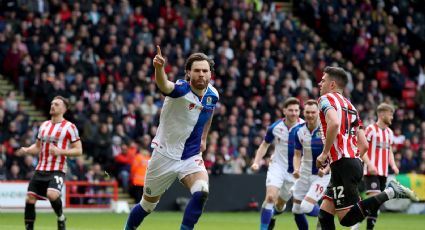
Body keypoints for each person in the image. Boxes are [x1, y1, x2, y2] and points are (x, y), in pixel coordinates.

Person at [124, 46, 219, 230]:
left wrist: (204, 138)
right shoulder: (180, 90)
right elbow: (164, 85)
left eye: (205, 71)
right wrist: (159, 69)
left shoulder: (212, 95)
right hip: (164, 156)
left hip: (191, 156)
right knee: (147, 205)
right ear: (188, 73)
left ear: (210, 74)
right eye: (197, 70)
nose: (201, 74)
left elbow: (210, 111)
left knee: (201, 191)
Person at [315, 66, 418, 230]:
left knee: (346, 219)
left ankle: (390, 192)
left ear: (332, 84)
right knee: (325, 215)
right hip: (350, 162)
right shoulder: (351, 107)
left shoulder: (325, 100)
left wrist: (325, 154)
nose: (320, 83)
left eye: (323, 80)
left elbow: (334, 123)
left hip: (343, 164)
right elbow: (363, 144)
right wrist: (350, 159)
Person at [16, 96, 83, 230]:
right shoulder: (44, 125)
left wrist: (60, 152)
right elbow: (38, 147)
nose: (53, 106)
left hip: (57, 168)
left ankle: (61, 217)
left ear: (64, 109)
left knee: (52, 195)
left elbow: (78, 150)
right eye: (52, 103)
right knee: (29, 199)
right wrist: (27, 150)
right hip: (41, 168)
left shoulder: (70, 127)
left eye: (57, 104)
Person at [251, 97, 304, 230]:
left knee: (280, 205)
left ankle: (273, 215)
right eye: (291, 110)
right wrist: (256, 162)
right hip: (277, 167)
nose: (294, 113)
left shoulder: (305, 127)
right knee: (270, 197)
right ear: (284, 111)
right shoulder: (275, 127)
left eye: (296, 110)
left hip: (295, 171)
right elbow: (264, 145)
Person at [351, 103, 399, 230]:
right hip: (371, 171)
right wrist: (369, 164)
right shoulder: (371, 129)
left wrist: (393, 165)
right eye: (390, 114)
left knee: (376, 204)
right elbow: (361, 147)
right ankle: (356, 219)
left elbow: (389, 151)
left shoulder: (389, 132)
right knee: (375, 199)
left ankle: (360, 220)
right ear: (382, 114)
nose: (392, 118)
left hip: (383, 172)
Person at [291, 99, 330, 230]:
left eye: (313, 112)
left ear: (318, 113)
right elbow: (297, 154)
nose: (310, 115)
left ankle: (325, 217)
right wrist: (296, 169)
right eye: (307, 112)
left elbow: (335, 155)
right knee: (296, 209)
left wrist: (325, 170)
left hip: (321, 175)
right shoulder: (298, 130)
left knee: (306, 207)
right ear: (304, 112)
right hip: (304, 173)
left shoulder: (326, 130)